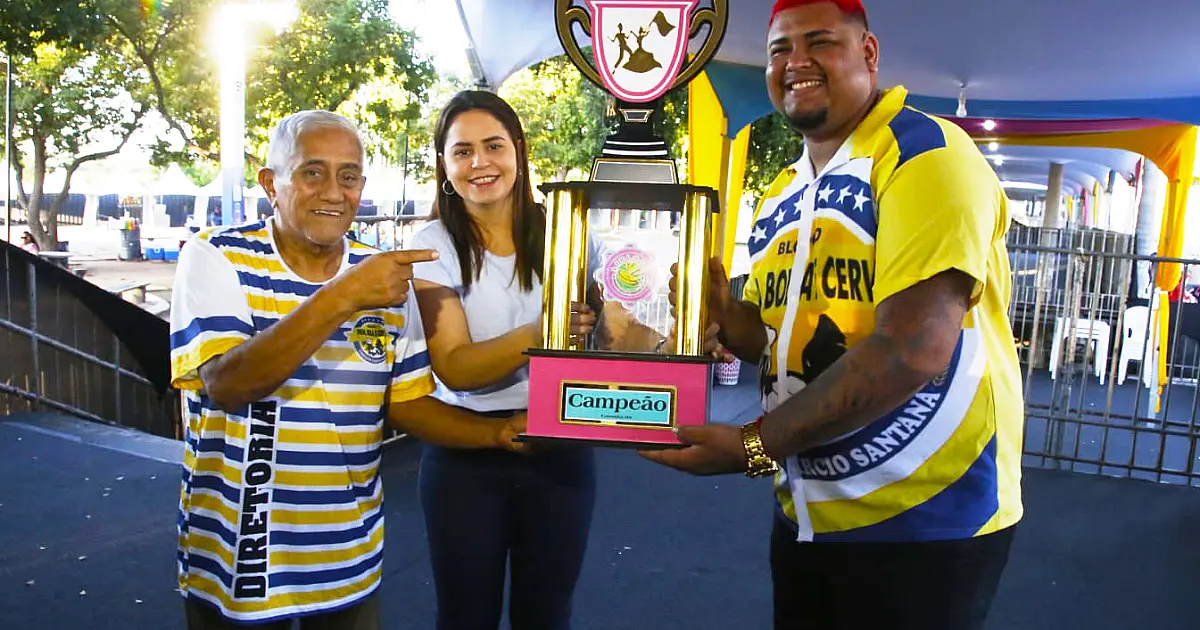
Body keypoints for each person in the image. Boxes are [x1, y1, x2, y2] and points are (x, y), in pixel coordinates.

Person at [642, 1, 1025, 629]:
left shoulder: (926, 155)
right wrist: (720, 312)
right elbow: (770, 340)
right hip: (809, 506)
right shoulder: (782, 189)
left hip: (927, 519)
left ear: (868, 54)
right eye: (778, 49)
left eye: (819, 43)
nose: (795, 63)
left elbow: (912, 349)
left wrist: (753, 447)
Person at [169, 109, 527, 630]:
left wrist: (497, 434)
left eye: (349, 175)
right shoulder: (216, 255)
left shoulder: (383, 277)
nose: (333, 192)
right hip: (238, 559)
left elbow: (406, 403)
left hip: (346, 559)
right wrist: (342, 297)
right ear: (271, 183)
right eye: (312, 172)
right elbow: (228, 383)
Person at [409, 90, 713, 630]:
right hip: (464, 455)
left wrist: (682, 342)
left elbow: (616, 333)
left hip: (559, 448)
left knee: (547, 615)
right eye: (462, 151)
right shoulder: (434, 244)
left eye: (494, 146)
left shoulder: (566, 229)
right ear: (444, 163)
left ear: (519, 151)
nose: (480, 163)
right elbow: (454, 366)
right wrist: (541, 331)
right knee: (464, 617)